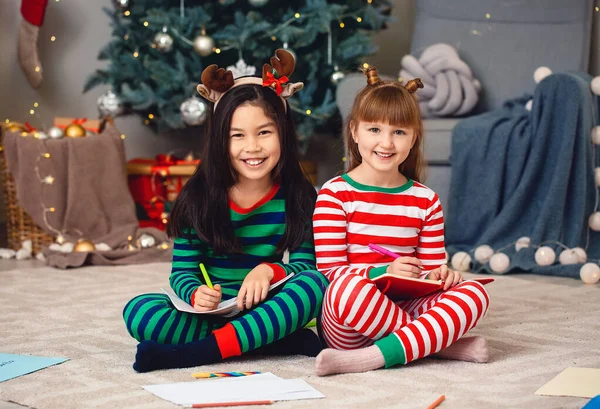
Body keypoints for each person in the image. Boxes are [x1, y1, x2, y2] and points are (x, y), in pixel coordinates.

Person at [123, 49, 327, 372]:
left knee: (315, 286)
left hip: (266, 305)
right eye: (237, 136)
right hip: (215, 313)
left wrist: (271, 271)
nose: (253, 147)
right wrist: (195, 295)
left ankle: (200, 352)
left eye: (264, 132)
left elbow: (304, 266)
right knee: (139, 311)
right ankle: (270, 340)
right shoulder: (198, 198)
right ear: (220, 140)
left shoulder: (298, 196)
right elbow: (182, 273)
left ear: (283, 134)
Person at [312, 67, 490, 376]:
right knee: (346, 289)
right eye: (374, 130)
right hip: (349, 321)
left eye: (399, 132)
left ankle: (374, 358)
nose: (386, 143)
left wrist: (442, 276)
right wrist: (384, 270)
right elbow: (331, 272)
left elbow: (433, 269)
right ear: (354, 132)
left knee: (474, 293)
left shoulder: (425, 200)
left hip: (404, 306)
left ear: (414, 138)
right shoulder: (335, 194)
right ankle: (441, 346)